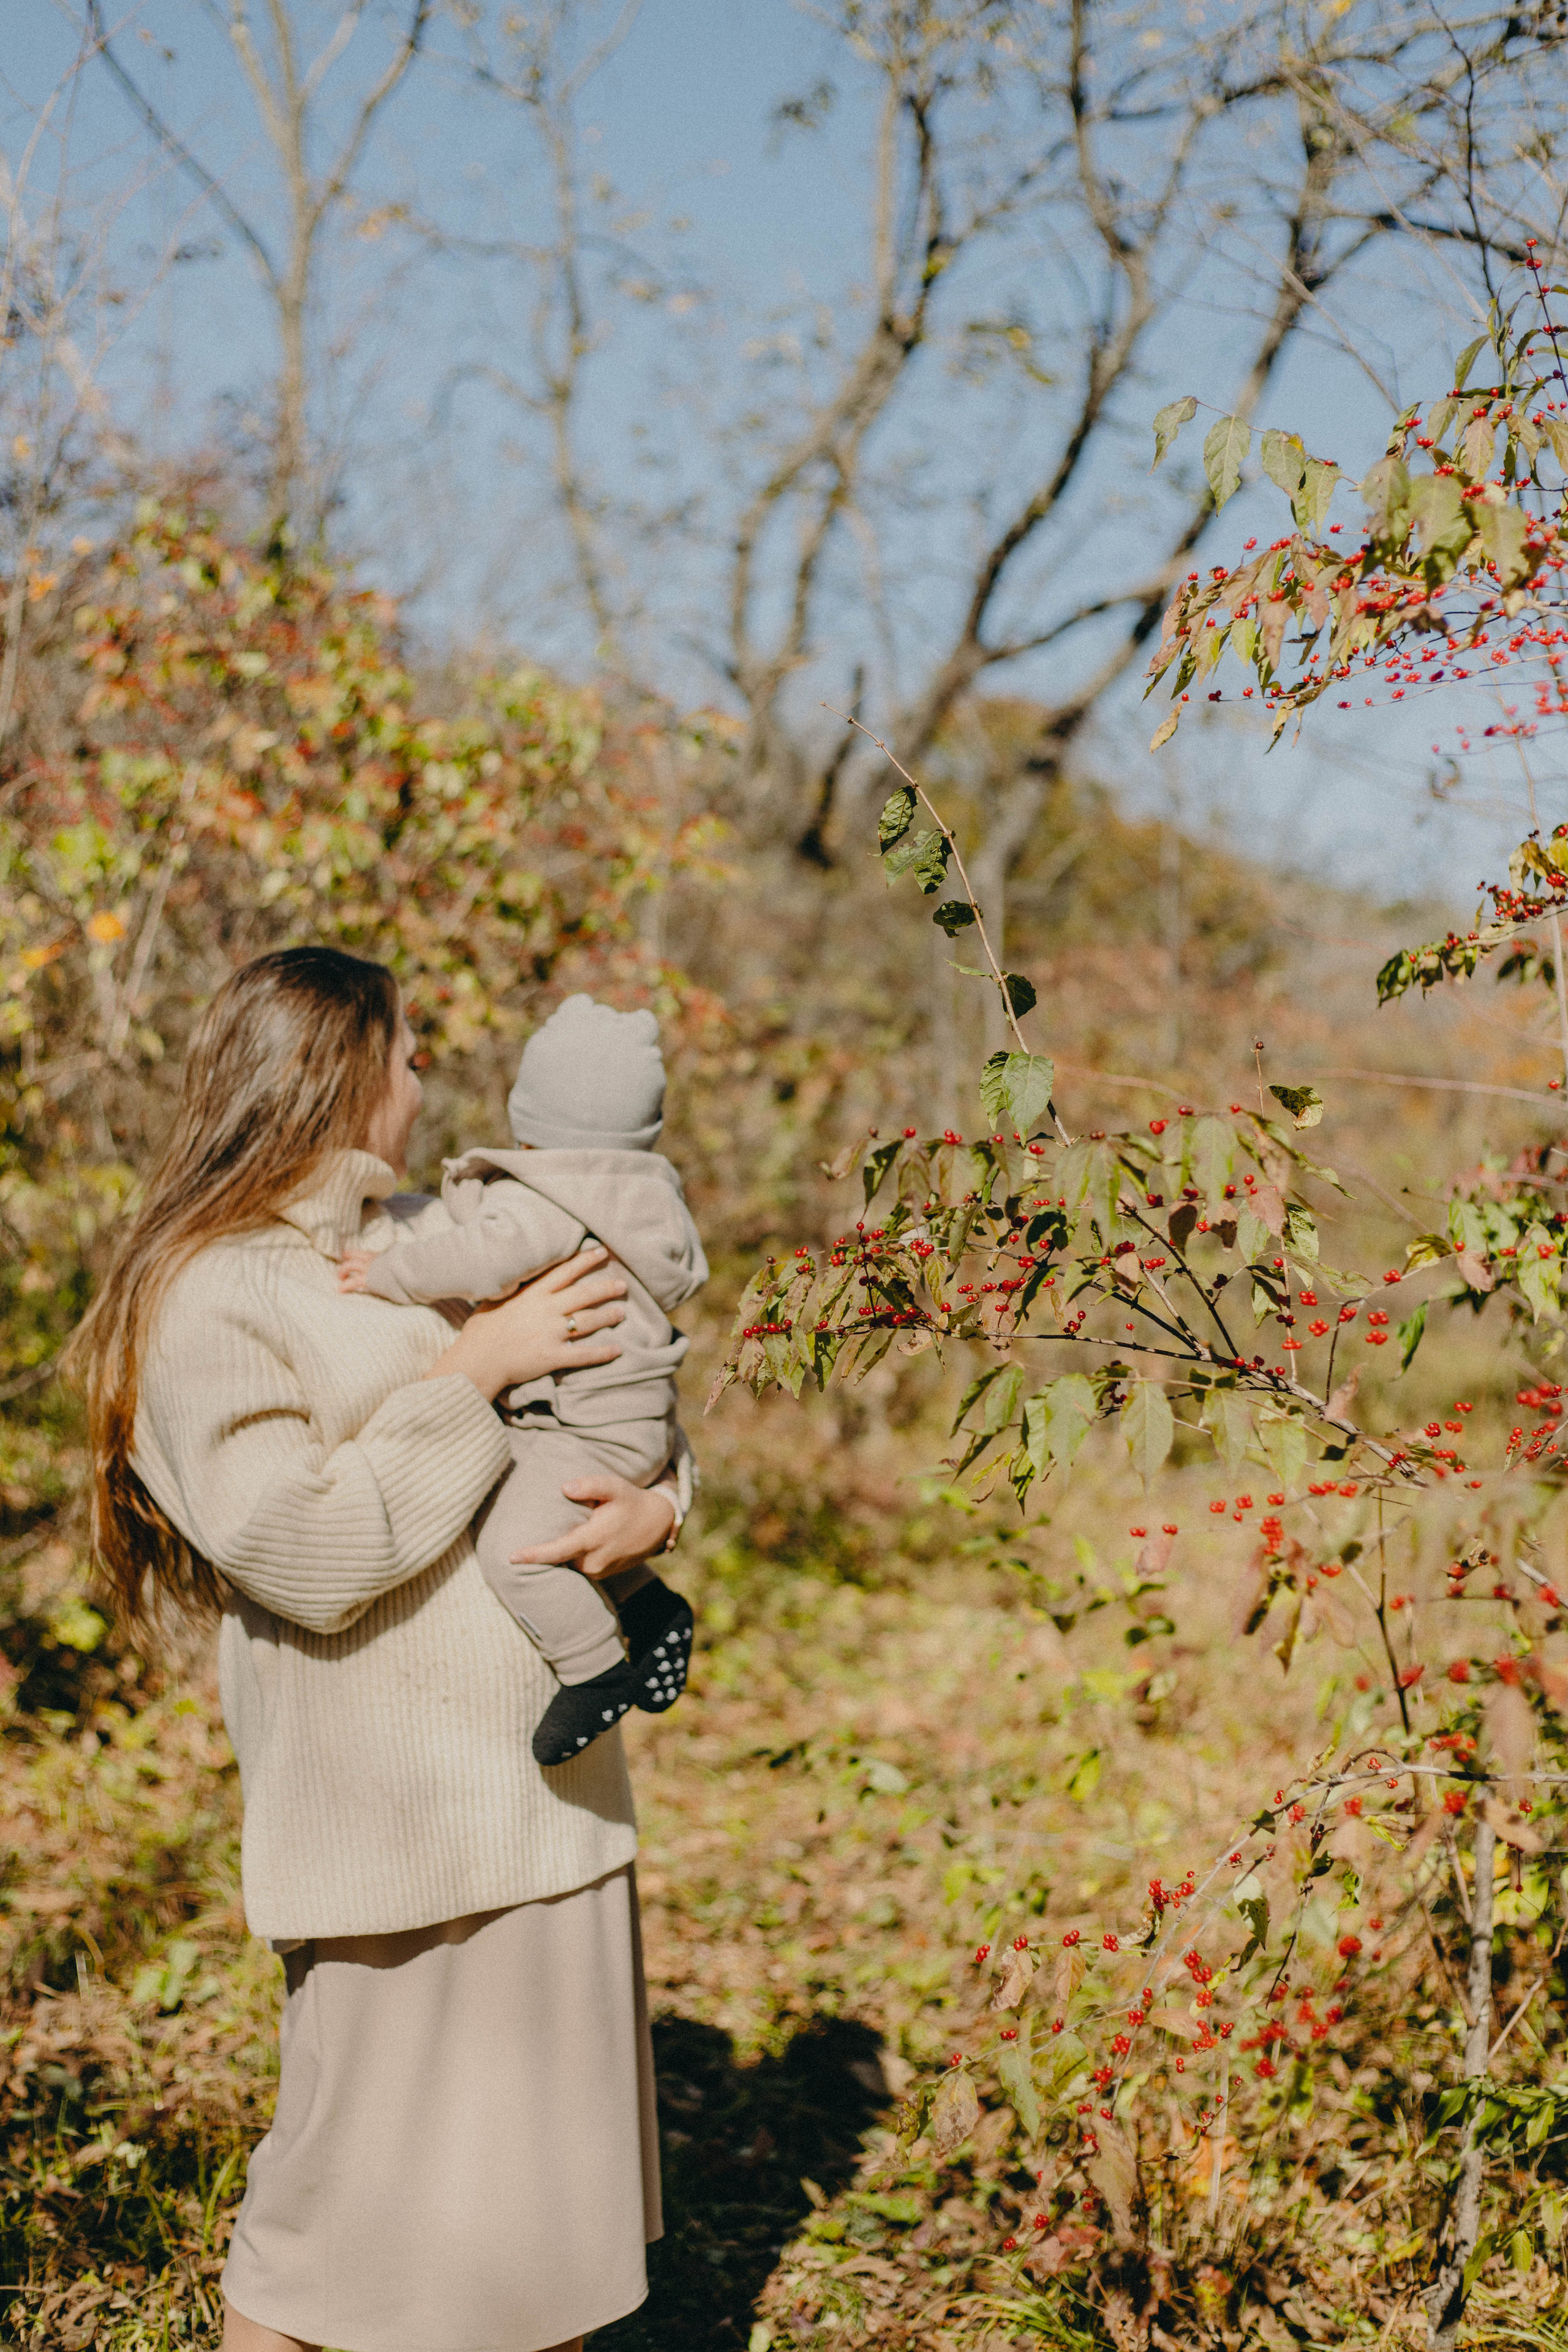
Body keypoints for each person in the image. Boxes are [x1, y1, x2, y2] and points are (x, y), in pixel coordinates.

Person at [70, 945, 682, 2352]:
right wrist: (469, 1373)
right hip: (391, 1825)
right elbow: (304, 1549)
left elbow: (629, 1379)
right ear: (336, 1066)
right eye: (409, 1052)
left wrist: (660, 1502)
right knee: (329, 2236)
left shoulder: (451, 1228)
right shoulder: (210, 1293)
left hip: (553, 1800)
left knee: (547, 2239)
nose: (427, 1079)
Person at [339, 992, 707, 1766]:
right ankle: (646, 1606)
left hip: (583, 1430)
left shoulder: (549, 1197)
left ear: (532, 1120)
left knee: (516, 1547)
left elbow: (479, 1259)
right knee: (563, 1524)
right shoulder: (641, 1198)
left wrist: (387, 1273)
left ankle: (597, 1670)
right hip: (632, 1430)